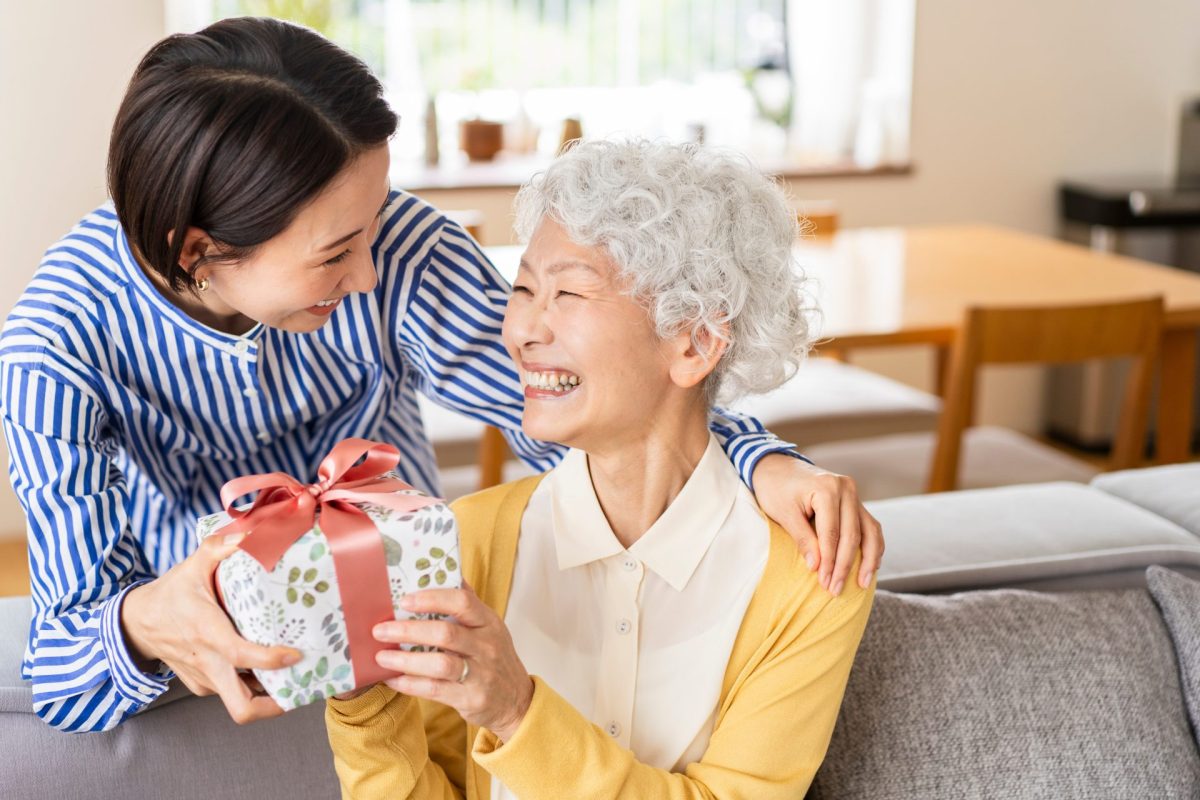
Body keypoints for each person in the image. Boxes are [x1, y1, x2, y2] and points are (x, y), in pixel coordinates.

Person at [0, 17, 881, 735]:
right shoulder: (55, 351)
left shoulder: (397, 246)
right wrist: (142, 624)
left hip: (421, 635)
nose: (371, 274)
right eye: (336, 253)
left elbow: (584, 413)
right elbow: (63, 675)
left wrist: (760, 462)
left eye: (374, 224)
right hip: (219, 679)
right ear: (198, 251)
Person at [326, 139, 875, 798]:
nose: (520, 329)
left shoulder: (813, 572)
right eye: (523, 288)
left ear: (696, 341)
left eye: (567, 293)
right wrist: (363, 709)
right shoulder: (464, 540)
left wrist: (516, 712)